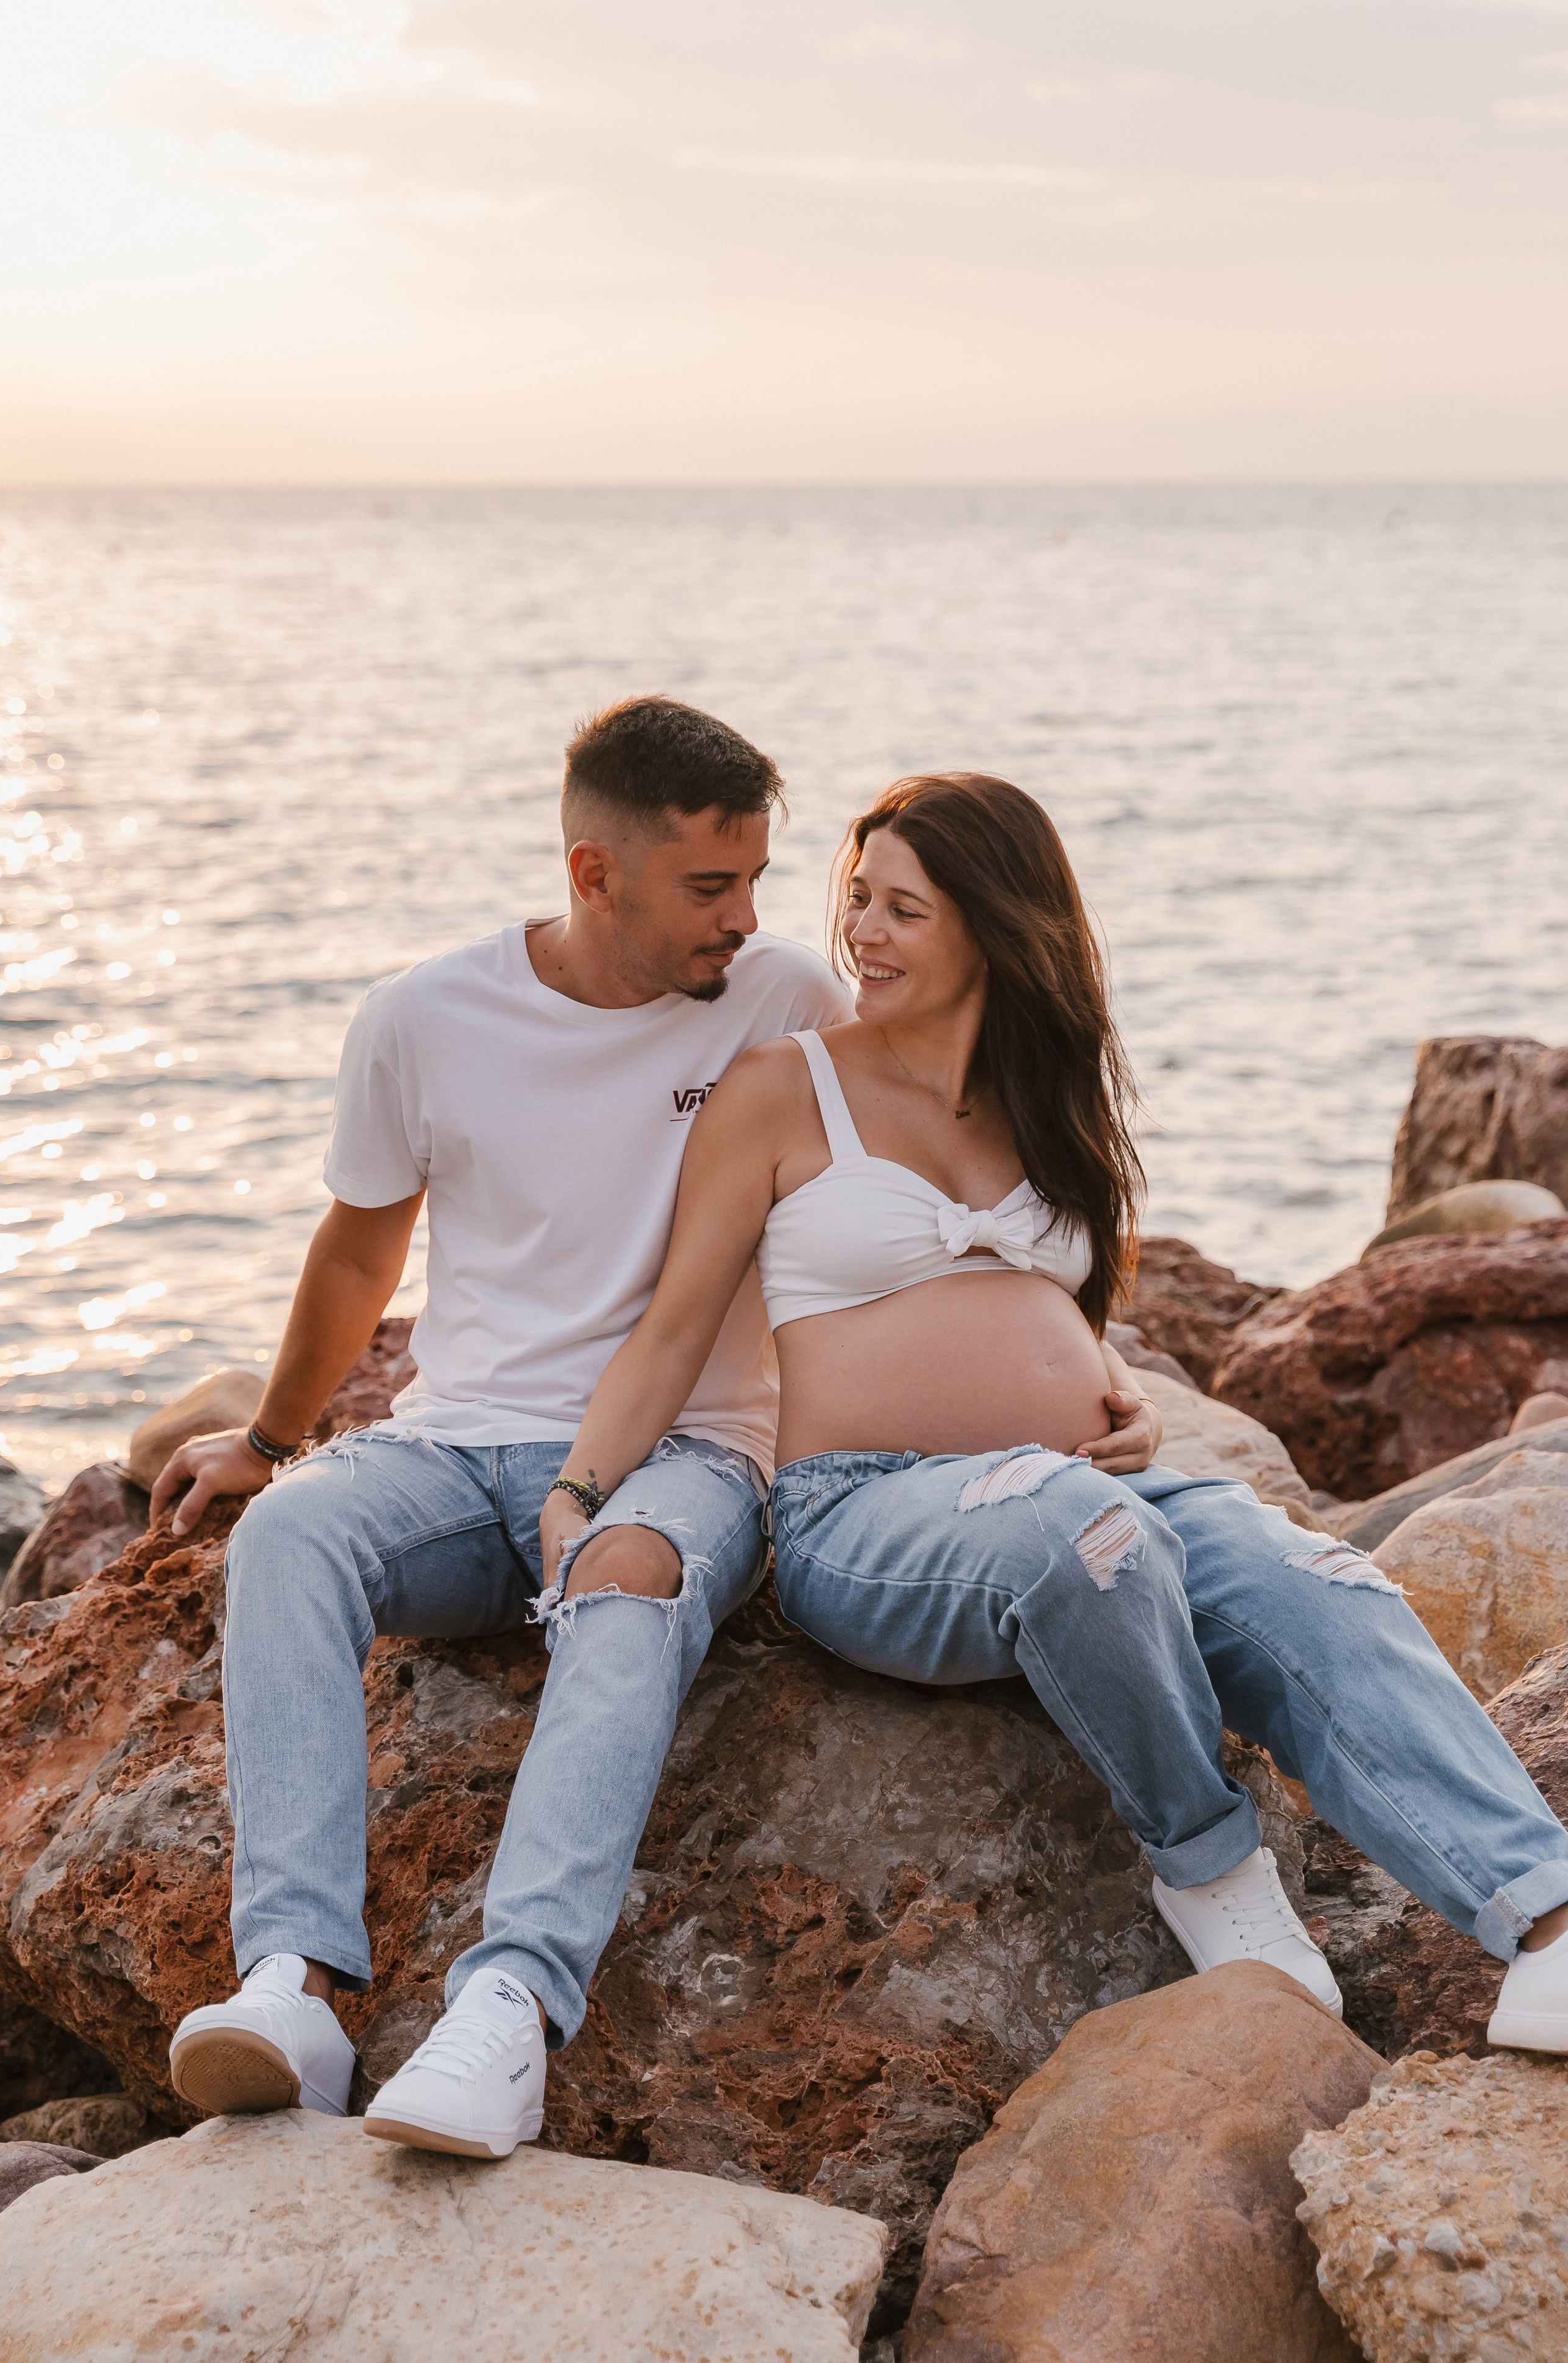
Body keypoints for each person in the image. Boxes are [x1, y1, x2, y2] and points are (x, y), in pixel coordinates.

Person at [545, 769, 1568, 2066]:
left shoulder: (1049, 1094)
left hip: (1072, 1479)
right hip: (862, 1514)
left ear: (993, 924)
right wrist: (581, 1493)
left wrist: (1117, 1391)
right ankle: (1207, 1868)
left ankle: (1543, 1924)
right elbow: (674, 1328)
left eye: (902, 910)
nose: (859, 932)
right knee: (1086, 1536)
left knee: (1318, 1580)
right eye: (855, 899)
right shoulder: (779, 1091)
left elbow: (1058, 1309)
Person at [154, 695, 862, 2157]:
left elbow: (922, 1170)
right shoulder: (425, 1018)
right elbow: (359, 1252)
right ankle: (293, 1984)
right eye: (708, 886)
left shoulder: (787, 998)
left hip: (686, 1449)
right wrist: (275, 1443)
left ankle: (510, 2010)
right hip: (454, 1447)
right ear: (593, 874)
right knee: (286, 1542)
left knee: (623, 1580)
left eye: (755, 881)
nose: (745, 918)